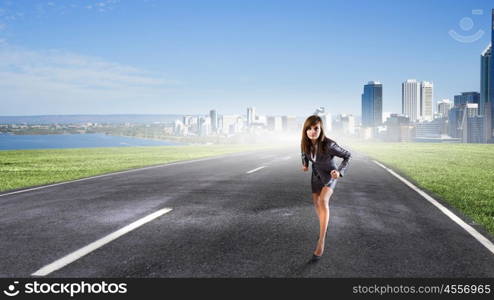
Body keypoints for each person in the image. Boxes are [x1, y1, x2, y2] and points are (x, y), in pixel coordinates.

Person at [300, 115, 352, 261]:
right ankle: (324, 225)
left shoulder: (329, 145)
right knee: (316, 204)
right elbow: (304, 153)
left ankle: (321, 240)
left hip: (330, 175)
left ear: (321, 128)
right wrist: (305, 164)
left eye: (316, 128)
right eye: (309, 129)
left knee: (323, 202)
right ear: (305, 130)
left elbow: (348, 156)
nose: (312, 131)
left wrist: (340, 172)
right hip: (315, 176)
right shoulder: (305, 143)